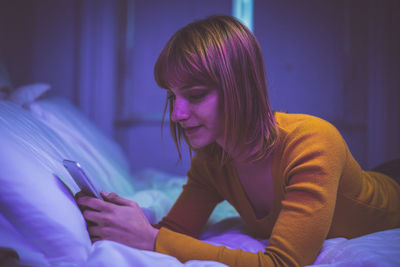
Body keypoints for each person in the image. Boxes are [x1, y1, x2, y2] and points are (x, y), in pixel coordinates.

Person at [76, 15, 400, 266]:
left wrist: (152, 239)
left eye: (195, 95)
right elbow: (173, 233)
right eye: (172, 97)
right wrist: (123, 220)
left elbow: (283, 263)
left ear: (240, 87)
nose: (176, 114)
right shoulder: (212, 161)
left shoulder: (313, 142)